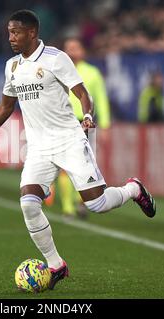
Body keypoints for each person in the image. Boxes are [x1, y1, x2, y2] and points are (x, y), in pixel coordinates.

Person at [0, 10, 156, 290]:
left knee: (97, 204)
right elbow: (6, 106)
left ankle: (133, 189)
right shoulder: (12, 67)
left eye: (16, 32)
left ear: (32, 33)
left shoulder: (56, 58)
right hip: (39, 148)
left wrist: (88, 116)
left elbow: (82, 93)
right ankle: (56, 265)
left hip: (69, 139)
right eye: (9, 32)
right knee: (28, 205)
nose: (11, 38)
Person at [49, 37, 111, 220]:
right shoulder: (56, 70)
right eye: (68, 48)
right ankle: (68, 208)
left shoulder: (92, 73)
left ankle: (80, 202)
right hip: (63, 122)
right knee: (64, 167)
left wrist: (106, 125)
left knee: (84, 166)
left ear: (83, 51)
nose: (71, 51)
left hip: (85, 123)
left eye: (75, 48)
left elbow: (100, 99)